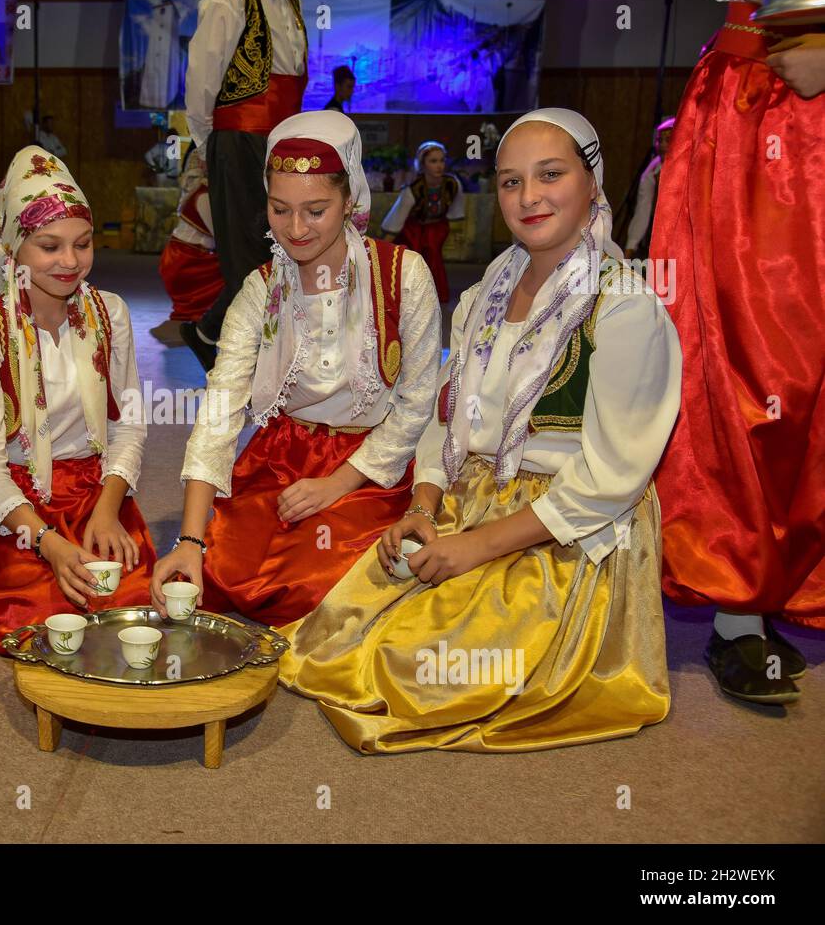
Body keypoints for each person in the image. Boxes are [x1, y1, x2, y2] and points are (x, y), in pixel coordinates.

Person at [277, 109, 682, 754]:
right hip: (474, 496)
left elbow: (612, 479)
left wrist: (479, 545)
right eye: (511, 181)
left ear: (593, 184)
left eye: (551, 174)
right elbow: (449, 411)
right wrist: (425, 503)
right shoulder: (488, 290)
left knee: (415, 670)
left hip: (568, 527)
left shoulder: (626, 306)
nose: (529, 197)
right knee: (338, 630)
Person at [150, 111, 440, 627]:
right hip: (282, 457)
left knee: (317, 589)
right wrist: (189, 539)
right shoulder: (261, 289)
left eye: (316, 210)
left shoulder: (403, 275)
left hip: (370, 464)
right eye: (280, 210)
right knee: (220, 571)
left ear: (349, 200)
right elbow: (220, 411)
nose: (296, 229)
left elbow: (418, 403)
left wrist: (337, 484)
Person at [652, 0, 825, 705]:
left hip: (795, 78)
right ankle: (741, 605)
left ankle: (781, 582)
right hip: (759, 94)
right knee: (749, 354)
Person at [0, 147, 156, 652]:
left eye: (83, 243)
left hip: (91, 490)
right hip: (12, 504)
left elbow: (129, 425)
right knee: (43, 612)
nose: (70, 262)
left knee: (129, 595)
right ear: (14, 252)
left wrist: (108, 508)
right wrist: (47, 542)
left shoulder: (110, 313)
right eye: (49, 246)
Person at [181, 0, 309, 372]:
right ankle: (248, 356)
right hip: (239, 137)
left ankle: (210, 331)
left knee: (282, 247)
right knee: (248, 252)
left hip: (280, 140)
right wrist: (208, 142)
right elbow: (203, 74)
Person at [381, 140, 465, 304]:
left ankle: (432, 294)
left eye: (441, 160)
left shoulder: (452, 184)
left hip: (437, 227)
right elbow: (396, 219)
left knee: (433, 254)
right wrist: (383, 248)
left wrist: (456, 232)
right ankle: (414, 294)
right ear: (423, 164)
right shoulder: (413, 189)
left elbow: (456, 211)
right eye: (433, 161)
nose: (439, 165)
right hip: (413, 230)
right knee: (415, 259)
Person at [158, 145, 220, 328]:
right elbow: (218, 235)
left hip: (182, 256)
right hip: (187, 260)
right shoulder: (203, 196)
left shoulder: (200, 193)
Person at [624, 117, 674, 260]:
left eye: (668, 140)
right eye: (660, 140)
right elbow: (642, 210)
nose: (663, 145)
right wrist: (629, 250)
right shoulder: (653, 170)